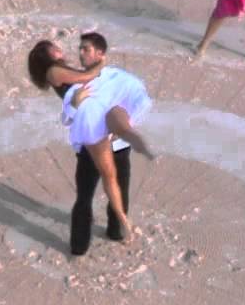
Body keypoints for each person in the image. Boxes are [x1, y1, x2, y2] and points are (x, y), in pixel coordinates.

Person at [27, 33, 154, 250]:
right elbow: (88, 79)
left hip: (102, 136)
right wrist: (102, 63)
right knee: (94, 192)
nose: (60, 49)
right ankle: (94, 238)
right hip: (94, 136)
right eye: (54, 47)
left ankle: (103, 235)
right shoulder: (54, 71)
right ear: (47, 54)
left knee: (101, 189)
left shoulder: (66, 71)